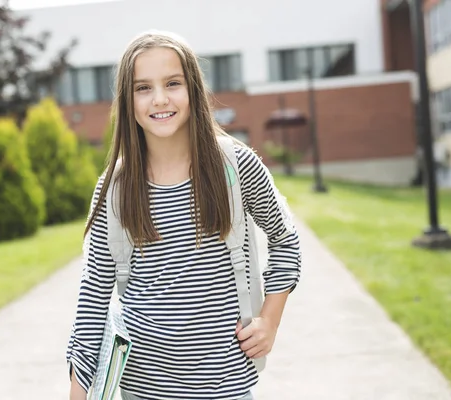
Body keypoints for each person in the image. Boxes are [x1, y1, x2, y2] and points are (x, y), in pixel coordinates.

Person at [66, 30, 302, 400]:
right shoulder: (115, 186)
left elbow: (285, 240)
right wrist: (78, 392)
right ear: (127, 101)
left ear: (193, 89)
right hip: (140, 389)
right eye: (143, 88)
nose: (159, 99)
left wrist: (269, 320)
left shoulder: (235, 166)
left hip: (225, 386)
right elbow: (93, 298)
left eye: (172, 83)